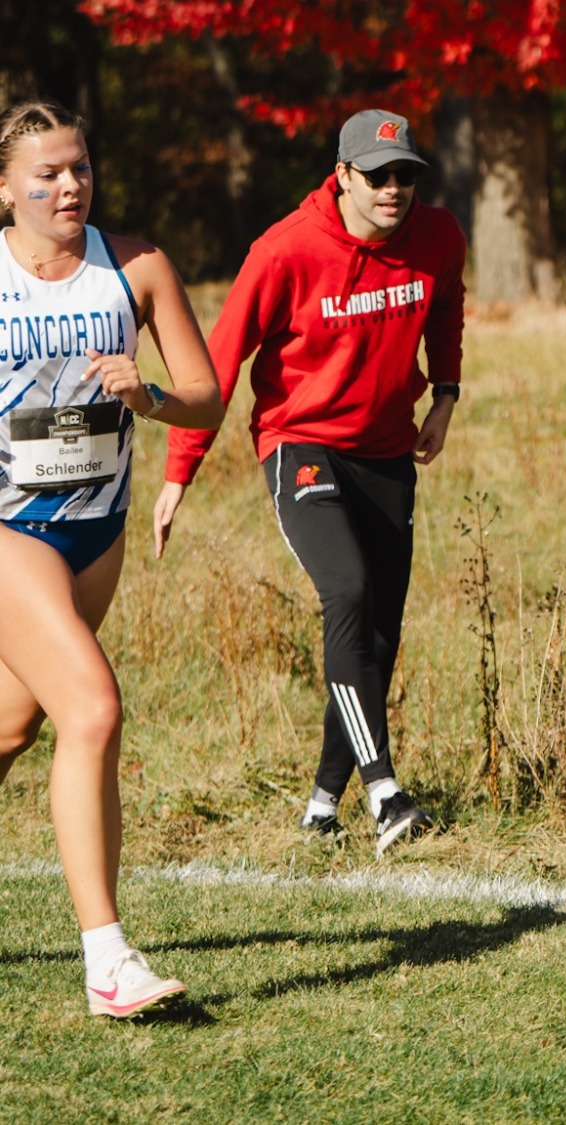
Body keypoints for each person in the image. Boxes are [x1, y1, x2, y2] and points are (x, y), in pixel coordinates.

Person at [154, 109, 466, 856]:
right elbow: (217, 366)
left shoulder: (438, 236)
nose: (395, 190)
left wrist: (445, 394)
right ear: (343, 175)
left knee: (376, 637)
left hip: (387, 449)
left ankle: (323, 804)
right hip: (302, 442)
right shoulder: (285, 251)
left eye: (406, 177)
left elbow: (447, 305)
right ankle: (385, 791)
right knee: (348, 592)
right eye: (378, 176)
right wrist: (178, 474)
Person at [0, 99, 225, 1016]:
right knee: (92, 708)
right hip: (8, 530)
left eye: (80, 166)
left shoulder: (135, 267)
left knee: (16, 727)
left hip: (96, 531)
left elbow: (209, 398)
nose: (69, 184)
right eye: (48, 171)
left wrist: (154, 395)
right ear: (5, 186)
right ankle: (108, 958)